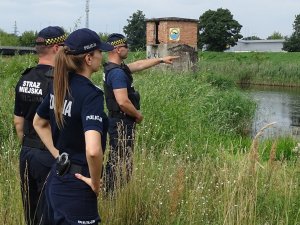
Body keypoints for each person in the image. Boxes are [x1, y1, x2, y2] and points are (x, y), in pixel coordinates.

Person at [33, 28, 114, 225]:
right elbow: (93, 151)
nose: (101, 56)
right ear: (88, 58)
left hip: (57, 179)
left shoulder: (60, 85)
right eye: (99, 52)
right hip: (77, 185)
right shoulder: (91, 95)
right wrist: (95, 183)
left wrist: (59, 155)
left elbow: (38, 122)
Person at [103, 33, 178, 193]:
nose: (128, 49)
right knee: (120, 161)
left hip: (117, 121)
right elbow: (123, 102)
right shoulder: (117, 74)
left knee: (118, 157)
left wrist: (160, 60)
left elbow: (138, 64)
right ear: (117, 49)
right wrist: (137, 115)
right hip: (122, 123)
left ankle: (111, 192)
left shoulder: (116, 68)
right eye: (126, 47)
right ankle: (111, 194)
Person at [14, 26, 67, 225]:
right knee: (50, 212)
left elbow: (18, 121)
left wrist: (28, 145)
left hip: (27, 153)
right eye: (64, 46)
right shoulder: (58, 80)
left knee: (31, 211)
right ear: (55, 48)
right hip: (50, 153)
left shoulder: (24, 77)